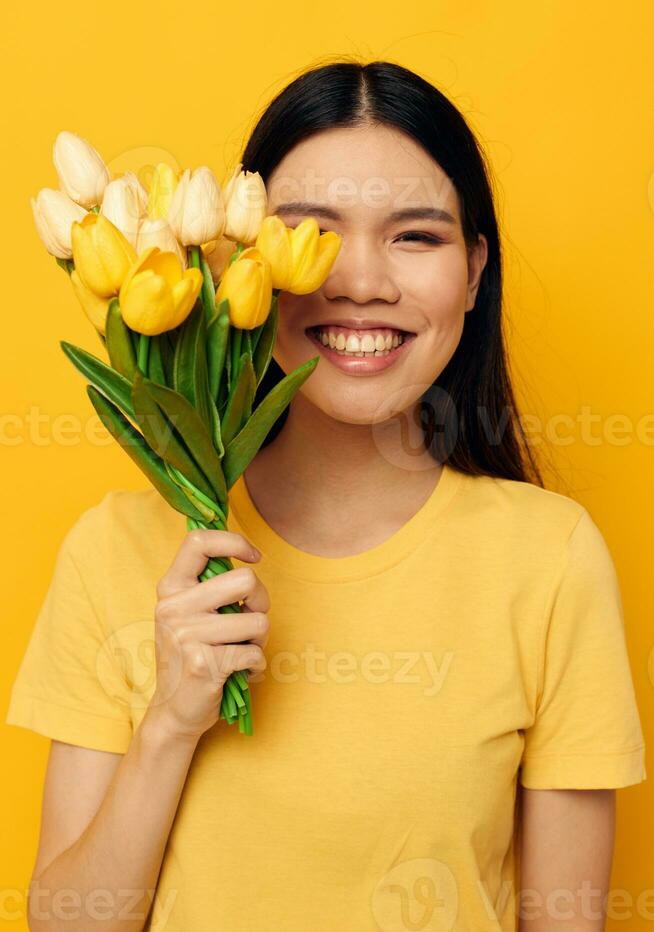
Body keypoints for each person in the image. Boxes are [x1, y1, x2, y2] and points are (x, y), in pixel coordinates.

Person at [5, 60, 646, 932]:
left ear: (473, 271)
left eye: (416, 237)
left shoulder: (549, 558)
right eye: (309, 232)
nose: (360, 281)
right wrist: (171, 722)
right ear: (240, 260)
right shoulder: (117, 545)